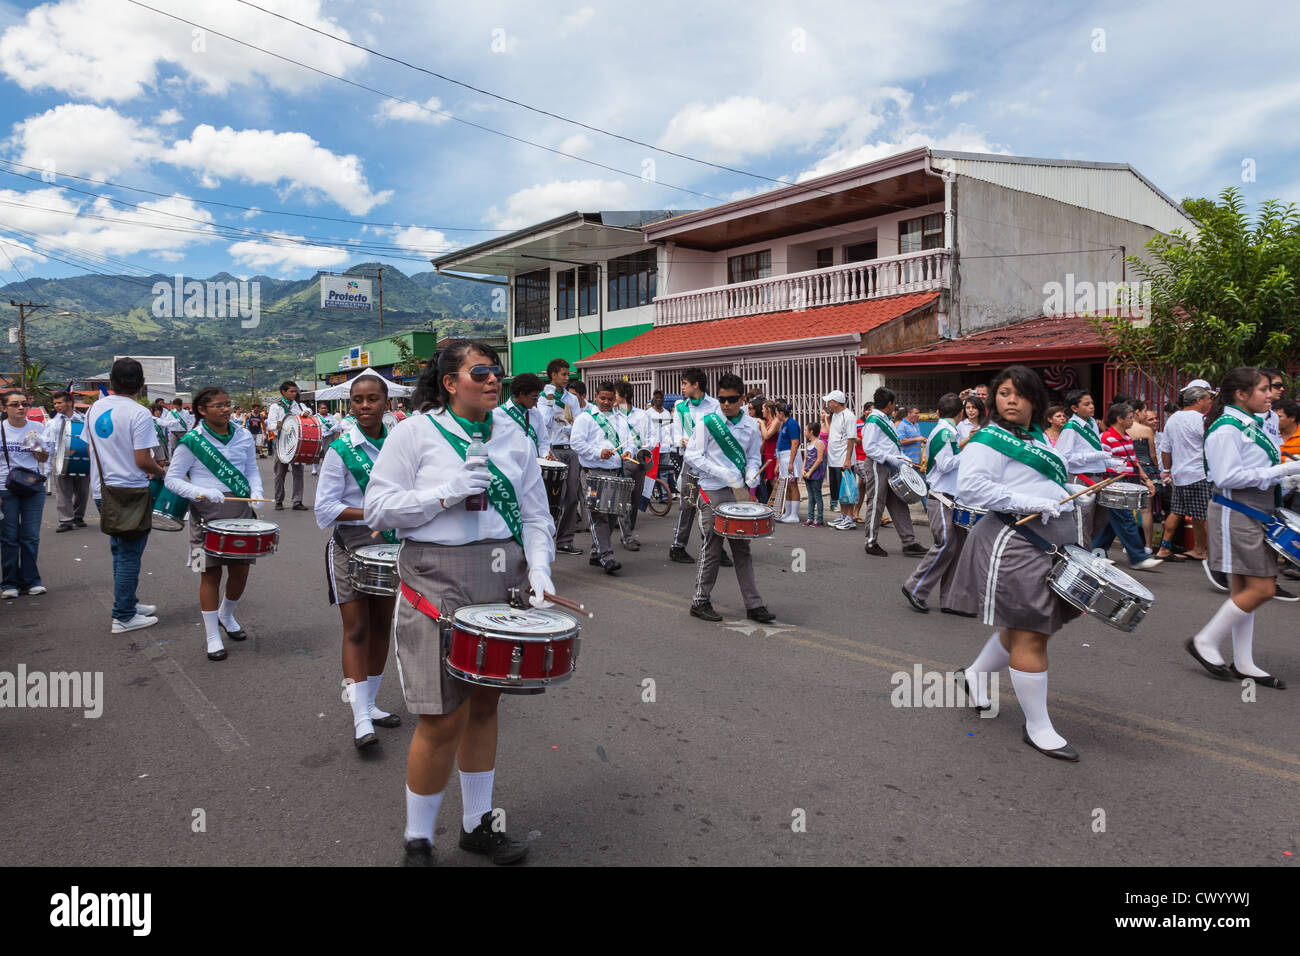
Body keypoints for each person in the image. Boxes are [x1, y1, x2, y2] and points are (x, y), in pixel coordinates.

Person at [363, 339, 554, 867]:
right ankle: (418, 838)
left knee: (487, 703)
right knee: (441, 715)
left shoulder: (514, 433)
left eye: (498, 372)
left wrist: (539, 568)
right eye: (481, 372)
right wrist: (445, 493)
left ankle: (477, 825)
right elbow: (378, 508)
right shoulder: (414, 433)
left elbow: (536, 514)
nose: (495, 380)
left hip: (503, 574)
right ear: (449, 383)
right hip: (436, 576)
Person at [949, 366, 1087, 760]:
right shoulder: (987, 440)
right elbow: (973, 489)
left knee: (1023, 627)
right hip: (1015, 544)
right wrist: (1031, 502)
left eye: (1020, 394)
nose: (1011, 399)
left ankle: (975, 675)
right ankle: (1038, 726)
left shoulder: (1034, 438)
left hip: (1046, 541)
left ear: (1035, 401)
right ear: (993, 400)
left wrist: (1068, 491)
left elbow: (1033, 481)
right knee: (1032, 633)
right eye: (1004, 393)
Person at [1186, 367, 1300, 689]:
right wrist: (1283, 469)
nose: (1271, 395)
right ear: (1241, 394)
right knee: (1263, 589)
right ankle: (1204, 641)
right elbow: (1226, 477)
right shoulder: (1227, 428)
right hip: (1238, 511)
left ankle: (1244, 661)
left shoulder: (1252, 424)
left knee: (1242, 590)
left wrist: (1285, 476)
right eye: (1264, 389)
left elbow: (1257, 470)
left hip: (1253, 510)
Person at [316, 370, 400, 749]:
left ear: (387, 403)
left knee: (382, 627)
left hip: (389, 549)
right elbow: (325, 508)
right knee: (356, 629)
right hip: (349, 548)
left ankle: (371, 704)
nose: (364, 406)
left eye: (372, 399)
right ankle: (360, 716)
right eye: (357, 400)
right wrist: (373, 511)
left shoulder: (399, 444)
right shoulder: (340, 450)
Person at [165, 386, 264, 662]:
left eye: (227, 404)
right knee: (209, 574)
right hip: (204, 514)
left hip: (240, 510)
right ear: (202, 410)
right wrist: (200, 492)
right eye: (219, 405)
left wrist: (255, 490)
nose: (226, 409)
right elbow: (171, 479)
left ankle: (227, 614)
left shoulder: (243, 435)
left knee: (241, 570)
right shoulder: (192, 441)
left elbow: (251, 469)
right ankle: (211, 635)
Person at [87, 359, 167, 632]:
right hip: (130, 491)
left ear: (111, 382)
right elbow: (143, 460)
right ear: (141, 384)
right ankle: (123, 616)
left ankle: (128, 602)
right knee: (130, 554)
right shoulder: (139, 413)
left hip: (102, 489)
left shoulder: (95, 407)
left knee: (119, 551)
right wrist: (161, 472)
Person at [685, 373, 772, 623]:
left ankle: (754, 605)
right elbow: (692, 456)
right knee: (712, 546)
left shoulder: (752, 426)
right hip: (712, 488)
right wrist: (722, 472)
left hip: (738, 491)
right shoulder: (708, 422)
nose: (725, 404)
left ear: (742, 398)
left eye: (731, 399)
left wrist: (751, 475)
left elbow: (754, 456)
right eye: (722, 399)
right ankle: (700, 601)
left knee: (742, 548)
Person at [902, 393, 964, 613]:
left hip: (949, 497)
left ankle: (952, 600)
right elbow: (946, 464)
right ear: (961, 414)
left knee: (956, 548)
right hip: (941, 497)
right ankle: (915, 587)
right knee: (946, 544)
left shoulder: (947, 430)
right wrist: (970, 455)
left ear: (938, 412)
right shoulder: (947, 432)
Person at [571, 381, 635, 574]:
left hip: (615, 472)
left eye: (610, 399)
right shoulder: (586, 418)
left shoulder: (620, 419)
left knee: (612, 517)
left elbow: (629, 442)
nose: (606, 402)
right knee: (599, 516)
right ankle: (606, 557)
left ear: (615, 399)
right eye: (602, 398)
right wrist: (598, 453)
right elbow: (576, 443)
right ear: (595, 397)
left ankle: (595, 552)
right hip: (593, 472)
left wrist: (627, 452)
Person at [1090, 403, 1163, 571]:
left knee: (1113, 521)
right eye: (1130, 417)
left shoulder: (1127, 436)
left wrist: (1147, 479)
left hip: (1129, 480)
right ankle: (1138, 557)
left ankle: (1097, 550)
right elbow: (1102, 463)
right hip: (1114, 482)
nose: (1133, 420)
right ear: (1119, 419)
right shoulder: (1106, 438)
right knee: (1126, 519)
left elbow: (1134, 460)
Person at [860, 387, 925, 557]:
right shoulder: (874, 420)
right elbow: (870, 448)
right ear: (889, 404)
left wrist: (903, 460)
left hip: (891, 466)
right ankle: (870, 542)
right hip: (877, 465)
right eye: (894, 403)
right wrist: (893, 459)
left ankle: (909, 542)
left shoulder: (886, 419)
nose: (894, 406)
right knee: (876, 502)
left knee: (899, 503)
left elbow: (892, 445)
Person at [668, 368, 723, 565]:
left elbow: (720, 433)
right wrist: (682, 440)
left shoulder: (715, 406)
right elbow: (674, 435)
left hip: (710, 465)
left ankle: (716, 548)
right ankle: (678, 546)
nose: (682, 388)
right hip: (690, 464)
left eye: (684, 384)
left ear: (696, 385)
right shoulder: (681, 408)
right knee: (687, 506)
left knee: (712, 506)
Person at [1, 389, 51, 599]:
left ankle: (31, 581)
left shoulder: (37, 427)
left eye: (24, 404)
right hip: (5, 487)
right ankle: (9, 583)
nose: (21, 408)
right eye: (14, 404)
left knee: (30, 536)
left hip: (32, 487)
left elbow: (42, 457)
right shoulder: (1, 429)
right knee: (9, 537)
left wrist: (36, 445)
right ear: (4, 408)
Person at [1158, 384, 1213, 564]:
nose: (1209, 402)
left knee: (1177, 511)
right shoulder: (1201, 420)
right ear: (1198, 400)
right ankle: (1211, 552)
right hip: (1199, 473)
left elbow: (1165, 448)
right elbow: (1211, 444)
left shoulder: (1173, 419)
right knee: (1203, 513)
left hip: (1179, 473)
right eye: (1207, 398)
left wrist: (1167, 471)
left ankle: (1166, 547)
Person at [542, 359, 584, 558]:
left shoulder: (572, 399)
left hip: (571, 450)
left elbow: (577, 423)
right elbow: (543, 423)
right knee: (553, 498)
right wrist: (550, 401)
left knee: (572, 497)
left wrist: (570, 428)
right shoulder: (543, 396)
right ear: (553, 375)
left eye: (568, 374)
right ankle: (544, 539)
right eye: (563, 374)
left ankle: (565, 541)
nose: (567, 378)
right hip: (554, 450)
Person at [45, 391, 89, 533]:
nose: (57, 406)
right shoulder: (52, 423)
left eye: (60, 402)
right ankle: (65, 520)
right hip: (59, 457)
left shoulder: (83, 419)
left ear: (69, 402)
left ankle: (78, 516)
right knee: (63, 490)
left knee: (82, 490)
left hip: (81, 457)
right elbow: (49, 444)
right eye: (55, 403)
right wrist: (47, 467)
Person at [614, 382, 649, 544]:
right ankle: (626, 536)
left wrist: (642, 452)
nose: (612, 398)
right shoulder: (611, 416)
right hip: (622, 462)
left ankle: (629, 530)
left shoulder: (642, 415)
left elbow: (649, 438)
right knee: (623, 499)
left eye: (615, 394)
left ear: (624, 395)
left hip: (638, 461)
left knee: (635, 499)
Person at [266, 381, 309, 511]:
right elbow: (270, 424)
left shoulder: (297, 405)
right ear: (284, 392)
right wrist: (276, 426)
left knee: (298, 473)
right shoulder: (276, 407)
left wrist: (305, 412)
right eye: (291, 391)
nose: (294, 393)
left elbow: (306, 413)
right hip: (282, 443)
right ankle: (279, 500)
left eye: (295, 391)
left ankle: (297, 501)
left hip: (296, 443)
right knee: (280, 473)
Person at [500, 373, 551, 458]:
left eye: (538, 397)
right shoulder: (500, 414)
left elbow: (543, 442)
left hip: (534, 466)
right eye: (534, 397)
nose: (537, 401)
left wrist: (546, 455)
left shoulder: (536, 413)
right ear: (521, 394)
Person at [774, 402, 802, 523]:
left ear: (781, 413)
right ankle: (788, 513)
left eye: (776, 413)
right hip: (784, 457)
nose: (775, 416)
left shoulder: (792, 424)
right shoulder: (785, 424)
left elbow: (794, 443)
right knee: (786, 485)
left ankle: (794, 514)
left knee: (792, 485)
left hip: (790, 456)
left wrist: (791, 462)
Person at [802, 419, 826, 526]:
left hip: (816, 474)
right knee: (810, 496)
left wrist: (810, 471)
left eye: (806, 430)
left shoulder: (819, 443)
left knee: (817, 495)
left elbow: (819, 459)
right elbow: (806, 458)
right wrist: (803, 470)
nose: (805, 432)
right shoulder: (808, 443)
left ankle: (819, 519)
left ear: (811, 431)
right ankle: (810, 517)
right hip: (807, 474)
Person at [1260, 368, 1286, 447]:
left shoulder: (1274, 416)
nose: (1282, 389)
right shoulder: (1249, 414)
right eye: (1277, 385)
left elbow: (1277, 446)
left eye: (1282, 386)